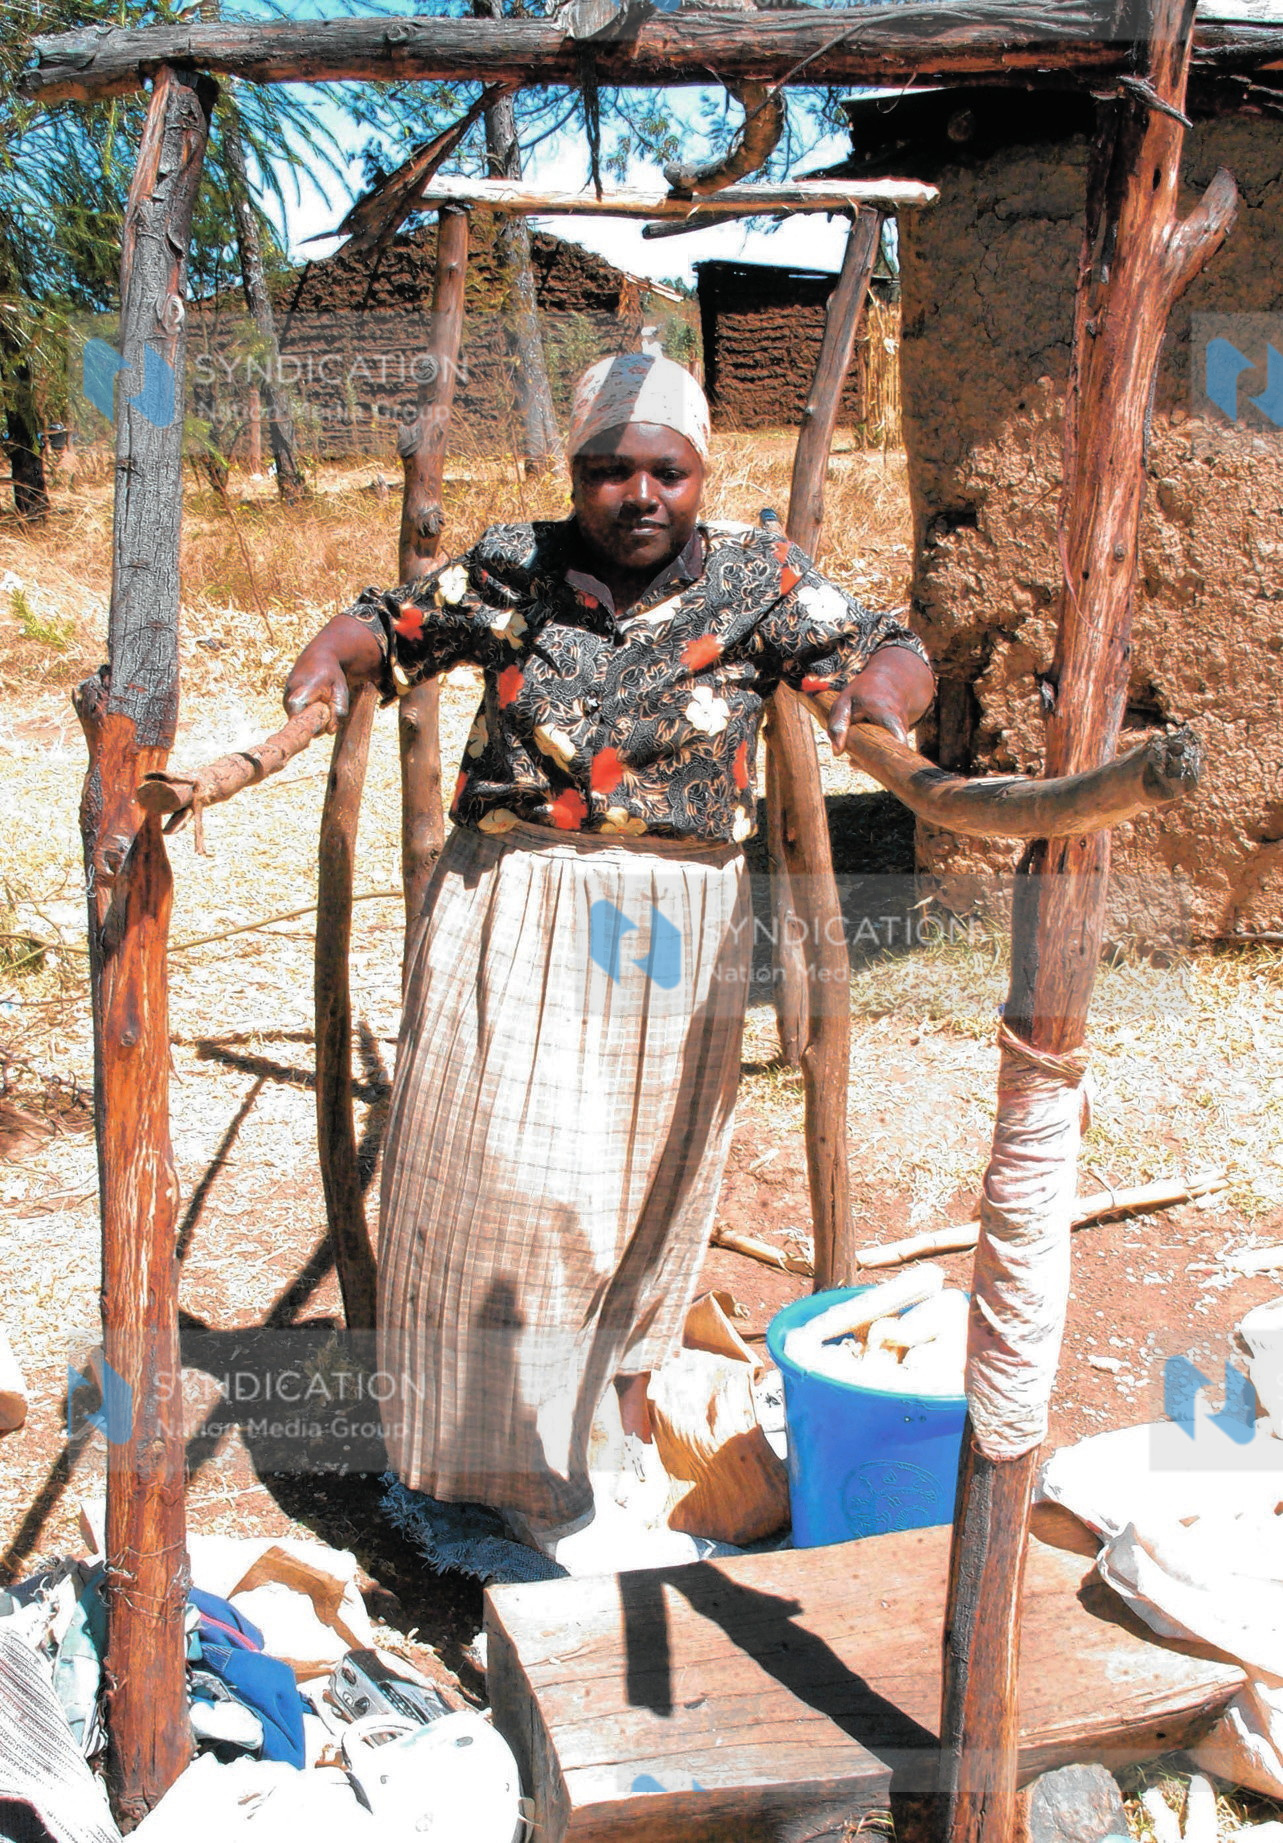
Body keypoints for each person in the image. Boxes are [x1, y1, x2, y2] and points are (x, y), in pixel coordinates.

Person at [284, 353, 934, 1559]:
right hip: (516, 897)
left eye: (665, 471)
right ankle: (507, 1472)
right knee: (514, 1190)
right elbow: (391, 625)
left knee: (642, 1189)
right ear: (573, 474)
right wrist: (332, 659)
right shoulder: (515, 566)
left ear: (702, 474)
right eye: (607, 470)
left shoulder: (758, 578)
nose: (638, 493)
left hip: (675, 922)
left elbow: (887, 647)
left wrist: (879, 703)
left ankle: (606, 1425)